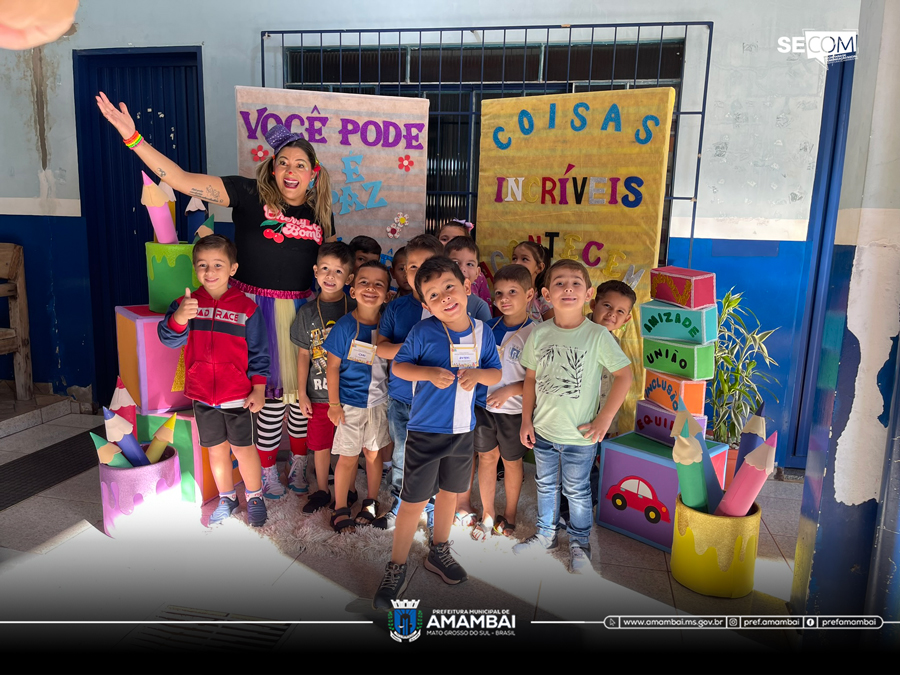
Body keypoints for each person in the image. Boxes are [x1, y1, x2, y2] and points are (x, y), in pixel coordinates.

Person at [96, 93, 334, 501]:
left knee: (300, 399)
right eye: (283, 163)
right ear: (271, 168)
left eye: (300, 166)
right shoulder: (246, 194)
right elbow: (182, 179)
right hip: (249, 311)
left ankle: (298, 462)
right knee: (264, 399)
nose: (290, 172)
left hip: (298, 315)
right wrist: (132, 137)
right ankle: (264, 471)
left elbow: (326, 268)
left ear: (313, 174)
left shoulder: (321, 215)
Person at [373, 257, 501, 610]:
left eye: (449, 286)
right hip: (425, 432)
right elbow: (399, 366)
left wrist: (479, 377)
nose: (444, 297)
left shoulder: (482, 331)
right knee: (413, 501)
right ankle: (395, 566)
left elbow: (494, 372)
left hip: (463, 431)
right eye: (433, 294)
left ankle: (439, 551)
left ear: (466, 286)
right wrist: (428, 373)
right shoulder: (423, 331)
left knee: (450, 493)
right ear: (426, 304)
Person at [514, 260, 633, 574]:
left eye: (576, 283)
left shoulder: (597, 335)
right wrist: (526, 420)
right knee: (545, 486)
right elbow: (529, 380)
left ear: (588, 293)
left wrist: (604, 419)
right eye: (559, 283)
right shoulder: (539, 333)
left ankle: (580, 544)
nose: (568, 288)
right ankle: (545, 535)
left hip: (580, 436)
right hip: (543, 431)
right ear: (545, 294)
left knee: (578, 491)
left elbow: (624, 374)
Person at [376, 234, 492, 531]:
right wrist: (418, 354)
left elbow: (484, 352)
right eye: (411, 267)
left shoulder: (470, 306)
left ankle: (433, 510)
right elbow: (381, 347)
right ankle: (403, 504)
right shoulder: (399, 308)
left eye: (427, 265)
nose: (418, 272)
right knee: (403, 456)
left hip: (449, 405)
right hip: (404, 398)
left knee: (447, 465)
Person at [157, 235, 269, 527]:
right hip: (202, 395)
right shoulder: (186, 304)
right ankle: (227, 497)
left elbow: (260, 352)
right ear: (195, 269)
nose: (210, 272)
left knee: (244, 450)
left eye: (218, 264)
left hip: (238, 395)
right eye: (203, 265)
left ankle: (255, 496)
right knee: (216, 450)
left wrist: (258, 387)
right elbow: (169, 340)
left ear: (233, 268)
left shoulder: (248, 309)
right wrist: (179, 317)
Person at [323, 261, 393, 531]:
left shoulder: (389, 324)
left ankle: (371, 501)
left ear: (387, 294)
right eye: (364, 282)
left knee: (373, 455)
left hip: (379, 403)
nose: (371, 288)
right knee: (348, 457)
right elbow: (332, 367)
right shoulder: (344, 327)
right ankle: (340, 506)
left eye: (379, 284)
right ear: (352, 290)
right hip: (349, 406)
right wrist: (333, 404)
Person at [469, 264, 537, 540]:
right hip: (484, 408)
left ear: (530, 294)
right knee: (486, 458)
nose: (505, 299)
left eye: (513, 292)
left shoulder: (537, 333)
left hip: (515, 412)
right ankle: (487, 512)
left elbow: (539, 381)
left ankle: (508, 513)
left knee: (511, 462)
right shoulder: (486, 328)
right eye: (499, 293)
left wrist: (509, 391)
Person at [290, 242, 355, 511]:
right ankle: (321, 490)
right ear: (315, 271)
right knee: (319, 444)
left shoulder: (355, 308)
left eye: (338, 272)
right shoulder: (306, 312)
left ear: (349, 279)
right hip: (317, 394)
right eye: (325, 269)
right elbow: (303, 355)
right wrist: (301, 392)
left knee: (348, 445)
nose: (330, 276)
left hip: (349, 394)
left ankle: (349, 488)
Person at [511, 241, 553, 322]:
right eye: (514, 258)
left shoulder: (543, 299)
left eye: (524, 259)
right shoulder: (505, 294)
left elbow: (552, 330)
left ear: (539, 268)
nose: (517, 263)